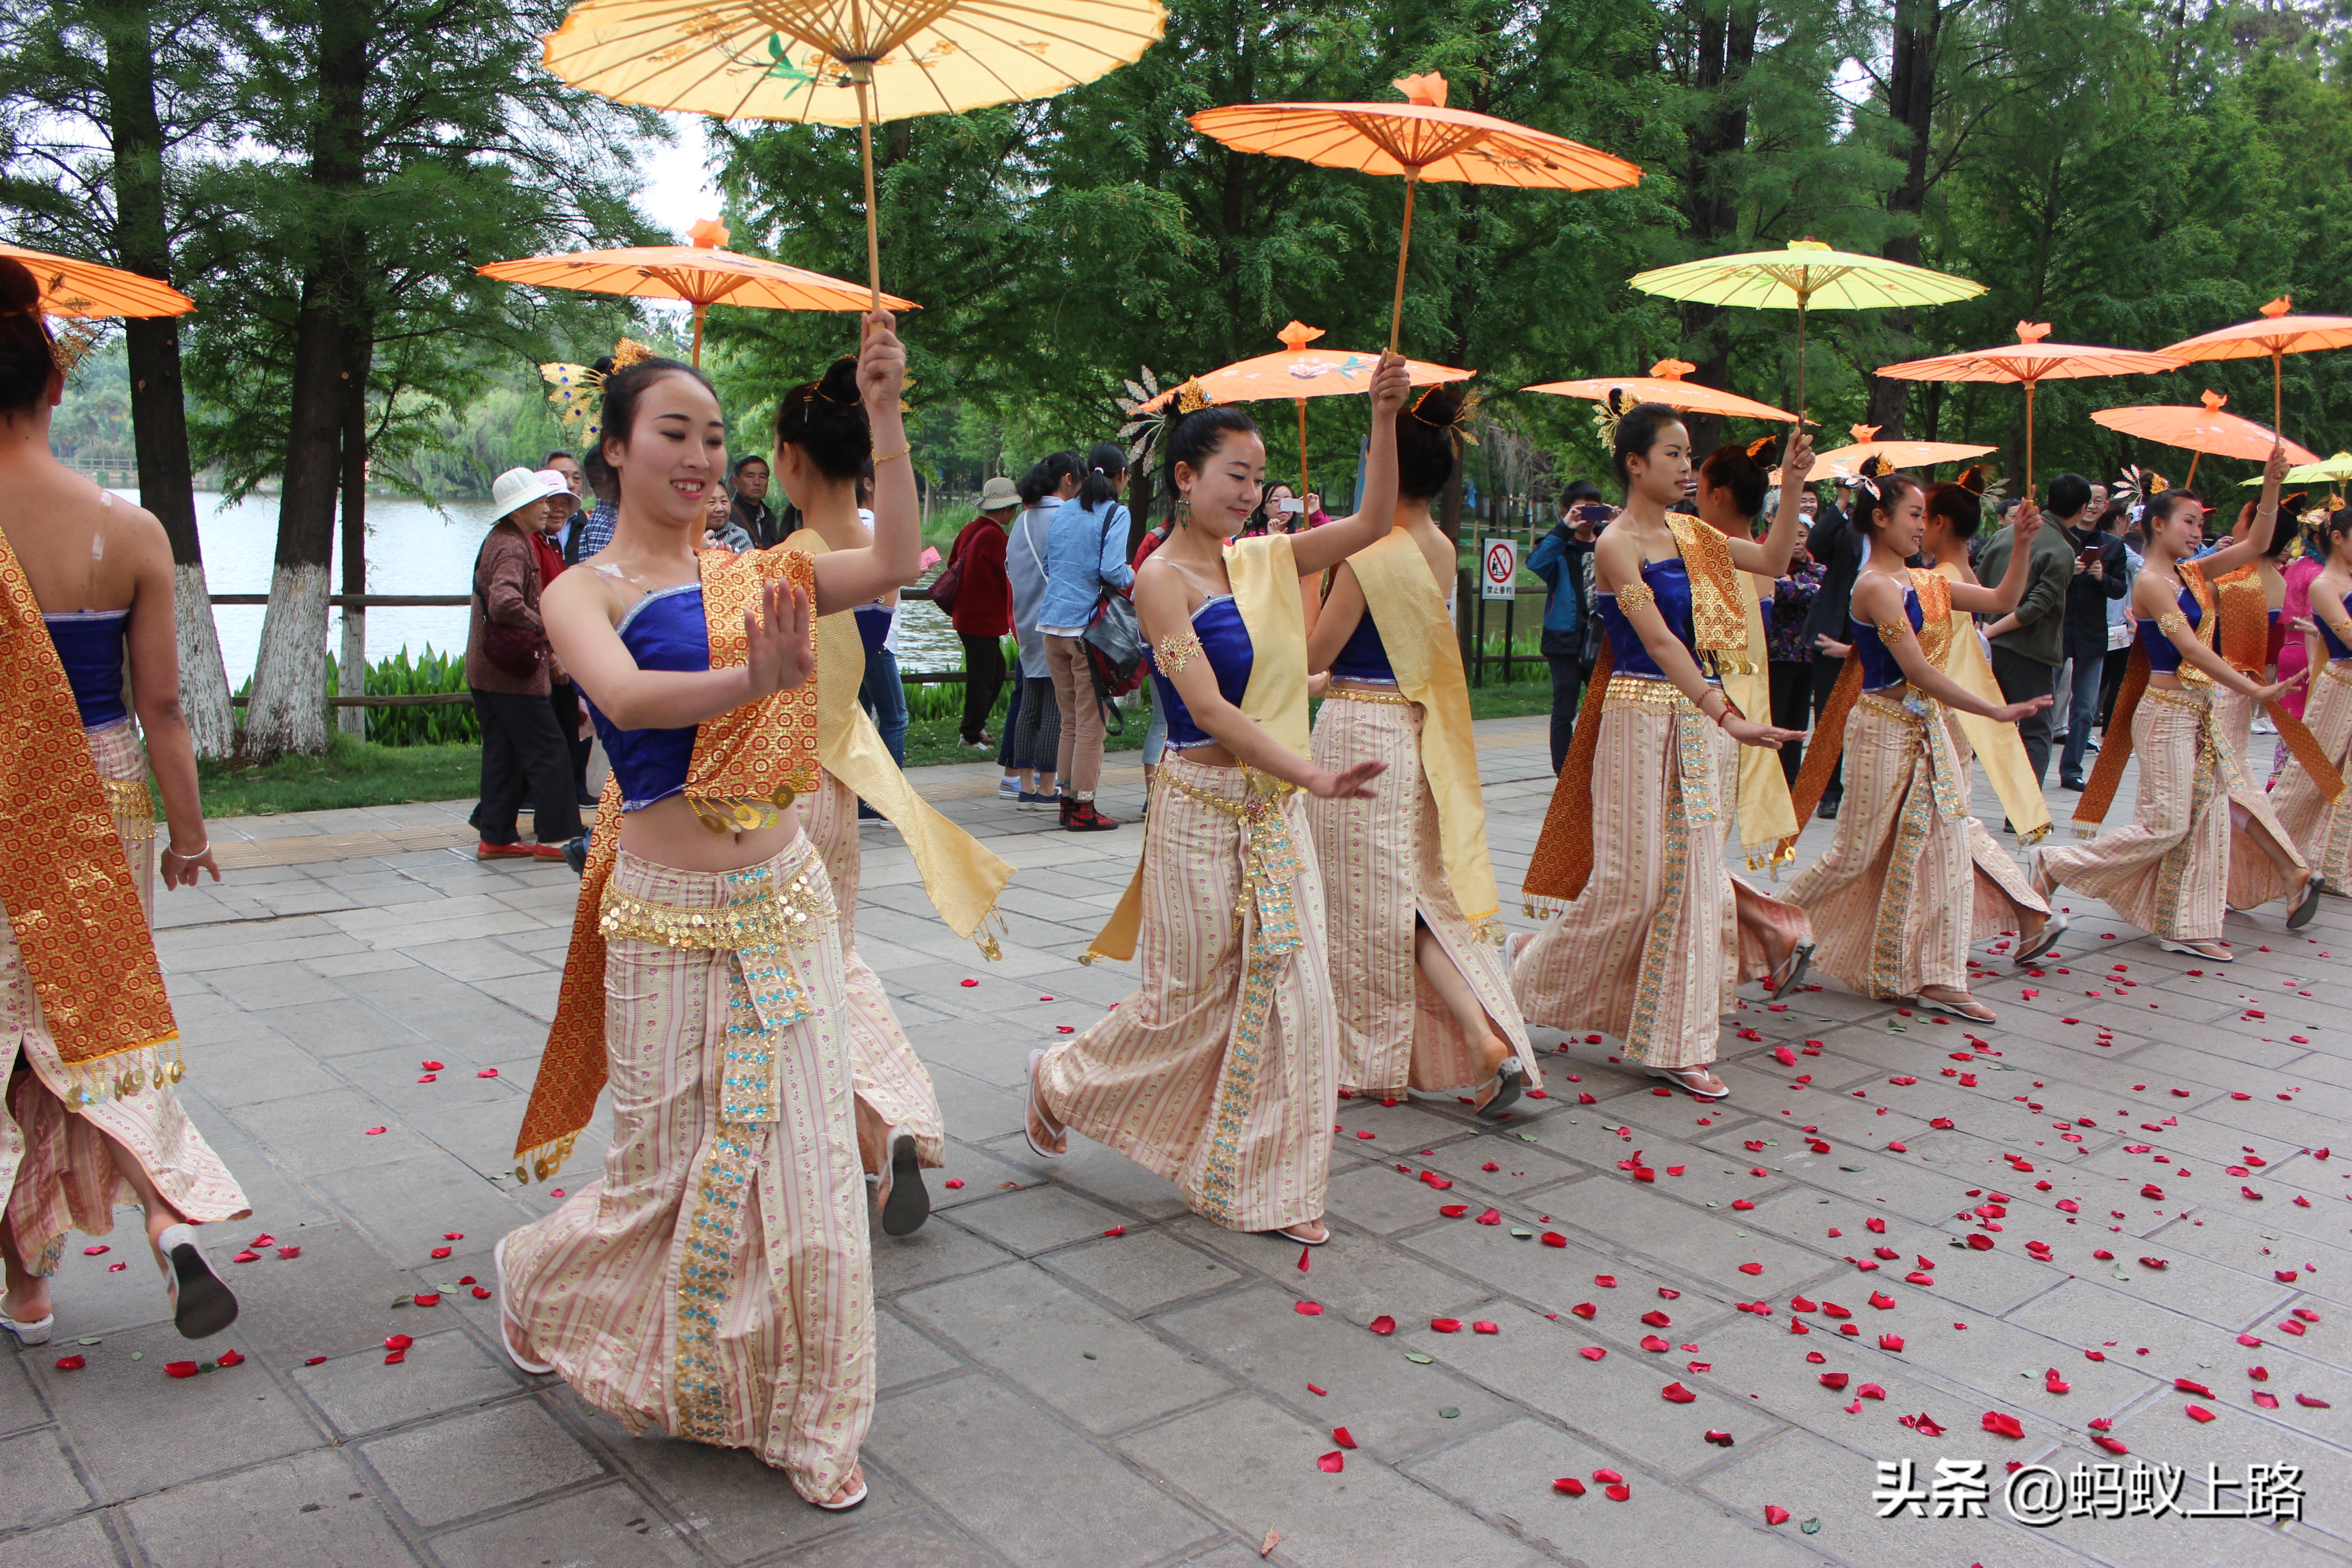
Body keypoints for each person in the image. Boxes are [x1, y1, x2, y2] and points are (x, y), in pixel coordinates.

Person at [500, 321, 912, 1511]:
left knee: (812, 1168)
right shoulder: (584, 590)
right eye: (672, 432)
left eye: (716, 435)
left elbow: (896, 560)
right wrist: (752, 682)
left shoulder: (764, 570)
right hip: (668, 910)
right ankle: (540, 1276)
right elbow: (624, 694)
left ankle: (815, 1418)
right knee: (660, 1173)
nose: (699, 453)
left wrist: (884, 412)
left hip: (783, 896)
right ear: (617, 451)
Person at [1024, 357, 1411, 1245]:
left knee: (1295, 997)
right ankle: (1061, 1078)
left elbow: (1374, 522)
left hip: (1273, 812)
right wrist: (1311, 775)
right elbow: (1204, 709)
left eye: (1258, 476)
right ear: (1187, 477)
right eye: (1234, 475)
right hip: (1202, 807)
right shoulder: (1162, 580)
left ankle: (1260, 1181)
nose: (1251, 491)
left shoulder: (1267, 560)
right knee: (1189, 1002)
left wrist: (1382, 418)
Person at [0, 259, 249, 1351]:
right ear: (56, 383)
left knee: (15, 1048)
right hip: (103, 792)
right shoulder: (129, 529)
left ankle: (30, 1291)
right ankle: (168, 1215)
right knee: (100, 1026)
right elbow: (163, 709)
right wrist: (187, 834)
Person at [1512, 407, 1816, 1102]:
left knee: (1696, 884)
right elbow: (1660, 644)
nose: (1687, 467)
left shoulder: (1695, 534)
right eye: (1673, 454)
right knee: (1634, 884)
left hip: (1700, 724)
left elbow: (1770, 561)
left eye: (1690, 455)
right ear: (1634, 464)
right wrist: (1727, 715)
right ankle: (1522, 974)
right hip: (1639, 717)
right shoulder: (1617, 544)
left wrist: (1791, 485)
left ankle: (1676, 1044)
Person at [775, 358, 1012, 1239]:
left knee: (796, 977)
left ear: (790, 459)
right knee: (834, 962)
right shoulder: (877, 557)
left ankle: (850, 1136)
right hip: (842, 790)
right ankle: (887, 1136)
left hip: (780, 795)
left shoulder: (788, 562)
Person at [1305, 381, 1542, 1110]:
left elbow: (1317, 656)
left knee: (1365, 907)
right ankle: (1478, 1034)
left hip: (1355, 728)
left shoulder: (1370, 552)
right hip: (1415, 732)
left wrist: (1308, 583)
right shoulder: (1438, 546)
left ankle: (1376, 1053)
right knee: (1416, 900)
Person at [1782, 460, 2059, 1023]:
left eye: (1924, 517)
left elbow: (2005, 598)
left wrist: (2025, 542)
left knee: (1948, 850)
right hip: (1884, 729)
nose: (1921, 525)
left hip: (1929, 728)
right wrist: (1994, 710)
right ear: (1880, 518)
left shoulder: (1929, 581)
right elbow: (1918, 670)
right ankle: (1763, 924)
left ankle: (1940, 977)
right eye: (1913, 515)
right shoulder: (1876, 587)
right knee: (1855, 853)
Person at [2041, 456, 2322, 961]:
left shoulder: (2191, 573)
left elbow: (2257, 545)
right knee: (2166, 823)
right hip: (2167, 711)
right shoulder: (2151, 581)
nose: (2198, 531)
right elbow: (2191, 650)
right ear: (2157, 524)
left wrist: (2273, 488)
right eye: (2188, 522)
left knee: (2207, 819)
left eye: (2200, 523)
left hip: (2200, 711)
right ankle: (2056, 864)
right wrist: (2253, 690)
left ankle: (2186, 924)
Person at [468, 466, 584, 861]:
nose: (548, 507)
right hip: (512, 672)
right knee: (549, 749)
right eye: (542, 501)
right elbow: (504, 601)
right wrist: (545, 626)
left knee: (503, 749)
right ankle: (556, 838)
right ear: (523, 507)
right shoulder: (514, 545)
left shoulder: (503, 539)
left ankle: (496, 836)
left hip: (488, 669)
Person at [1038, 443, 1134, 831]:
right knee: (1093, 724)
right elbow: (1113, 571)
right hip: (1087, 633)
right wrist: (1136, 577)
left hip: (1052, 627)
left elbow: (1049, 564)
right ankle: (1084, 807)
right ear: (1122, 476)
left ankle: (1066, 801)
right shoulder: (1116, 513)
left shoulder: (1064, 511)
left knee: (1071, 722)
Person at [2266, 508, 2352, 892]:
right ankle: (2272, 851)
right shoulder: (2324, 584)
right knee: (2311, 775)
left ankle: (2335, 861)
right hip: (2341, 686)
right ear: (2338, 538)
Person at [1974, 480, 2076, 789]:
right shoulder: (2061, 549)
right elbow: (2035, 608)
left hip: (1986, 642)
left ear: (2047, 499)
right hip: (2028, 650)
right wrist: (1992, 629)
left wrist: (1983, 627)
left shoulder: (2002, 535)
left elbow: (1977, 576)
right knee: (2035, 731)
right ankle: (2024, 812)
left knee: (1987, 725)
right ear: (2085, 509)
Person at [2042, 475, 2129, 789]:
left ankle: (2072, 770)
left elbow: (2119, 590)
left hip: (2093, 634)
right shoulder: (2058, 538)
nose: (2093, 506)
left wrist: (2102, 576)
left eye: (2100, 501)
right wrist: (2068, 572)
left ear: (2107, 507)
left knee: (2085, 707)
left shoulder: (2114, 545)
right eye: (2089, 500)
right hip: (2057, 630)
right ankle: (2033, 764)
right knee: (2044, 700)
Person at [1002, 454, 1077, 807]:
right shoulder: (1064, 517)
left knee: (1029, 702)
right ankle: (1049, 786)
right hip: (1056, 621)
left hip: (1025, 622)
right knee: (1055, 707)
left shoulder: (1021, 521)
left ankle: (1026, 784)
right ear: (1067, 480)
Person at [521, 472, 598, 812]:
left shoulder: (552, 543)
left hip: (558, 650)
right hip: (541, 655)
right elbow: (530, 604)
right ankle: (550, 813)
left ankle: (565, 799)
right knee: (549, 738)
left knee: (568, 728)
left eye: (564, 503)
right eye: (550, 502)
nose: (558, 509)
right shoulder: (530, 545)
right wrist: (552, 656)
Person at [1529, 480, 1606, 773]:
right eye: (1581, 510)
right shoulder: (1558, 544)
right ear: (1567, 510)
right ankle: (1565, 772)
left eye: (1594, 510)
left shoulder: (1610, 543)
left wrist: (1621, 526)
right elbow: (1537, 564)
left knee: (1604, 705)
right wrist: (1564, 528)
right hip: (1564, 637)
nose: (1588, 517)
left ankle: (1599, 765)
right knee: (1564, 709)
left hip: (1601, 637)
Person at [1800, 481, 1864, 818]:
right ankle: (1829, 790)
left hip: (1875, 628)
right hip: (1835, 625)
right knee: (1829, 713)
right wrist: (1842, 499)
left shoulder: (1896, 531)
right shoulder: (1846, 527)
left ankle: (1863, 788)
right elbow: (1816, 543)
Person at [944, 476, 1018, 750]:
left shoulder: (970, 529)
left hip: (966, 616)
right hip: (982, 619)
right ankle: (971, 734)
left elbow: (953, 563)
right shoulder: (996, 537)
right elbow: (1007, 577)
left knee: (994, 670)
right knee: (984, 676)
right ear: (1007, 509)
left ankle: (976, 726)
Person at [1766, 520, 1825, 786]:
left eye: (1802, 536)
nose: (1798, 541)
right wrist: (1810, 591)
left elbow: (1826, 595)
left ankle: (1791, 781)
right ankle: (1769, 780)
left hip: (1809, 656)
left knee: (1799, 721)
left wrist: (1799, 589)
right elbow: (1779, 592)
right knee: (1775, 717)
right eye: (1792, 536)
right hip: (1779, 655)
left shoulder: (1819, 570)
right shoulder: (1771, 569)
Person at [730, 455, 783, 548]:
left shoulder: (769, 517)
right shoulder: (727, 515)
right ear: (735, 482)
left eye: (762, 477)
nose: (757, 482)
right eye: (750, 477)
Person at [545, 450, 587, 555]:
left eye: (576, 478)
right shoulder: (533, 530)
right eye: (563, 478)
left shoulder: (589, 524)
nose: (571, 484)